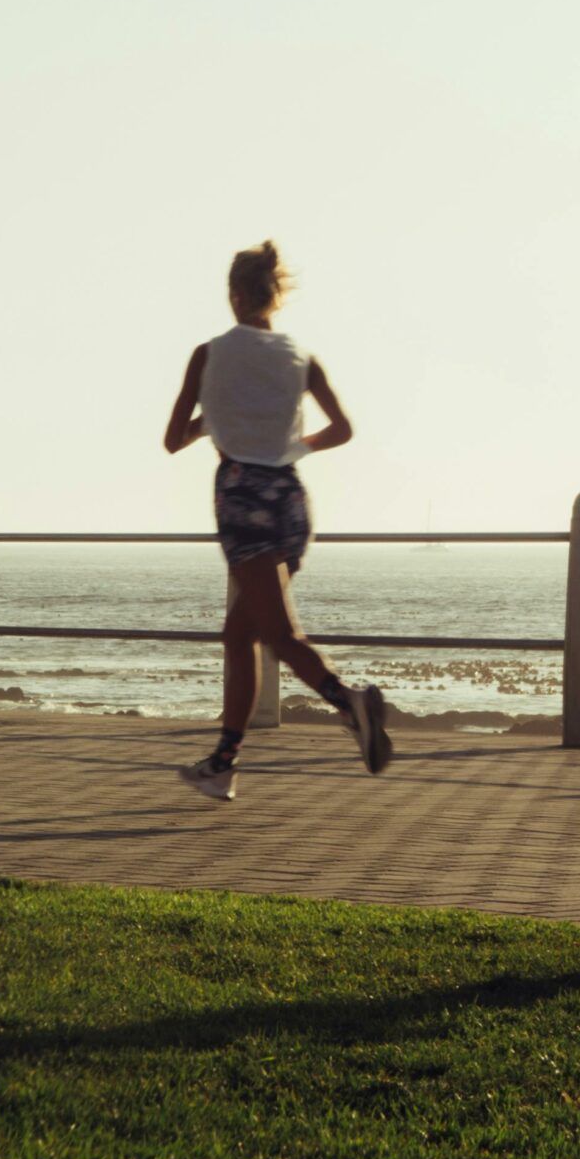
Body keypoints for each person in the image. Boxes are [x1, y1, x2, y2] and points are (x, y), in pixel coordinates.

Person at [162, 241, 388, 801]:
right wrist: (293, 446)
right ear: (275, 297)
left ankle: (349, 703)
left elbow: (172, 440)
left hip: (242, 497)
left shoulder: (208, 355)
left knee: (279, 634)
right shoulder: (301, 358)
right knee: (239, 634)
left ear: (235, 295)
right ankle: (222, 763)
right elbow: (341, 429)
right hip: (289, 498)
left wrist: (209, 422)